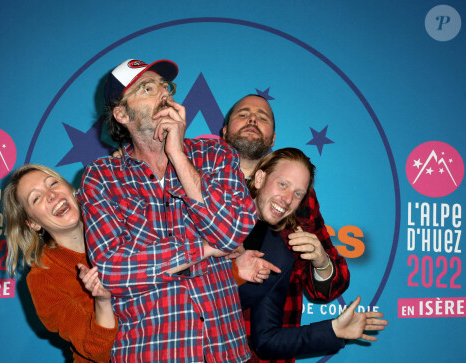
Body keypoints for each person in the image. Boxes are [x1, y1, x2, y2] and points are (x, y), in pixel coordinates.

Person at [79, 58, 268, 362]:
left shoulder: (216, 154)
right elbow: (113, 270)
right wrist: (203, 250)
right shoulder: (101, 177)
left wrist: (178, 155)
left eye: (166, 87)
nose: (164, 94)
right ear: (122, 114)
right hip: (150, 351)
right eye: (148, 88)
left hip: (225, 350)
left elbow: (232, 233)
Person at [222, 94, 351, 363]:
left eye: (263, 117)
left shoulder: (300, 201)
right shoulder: (193, 184)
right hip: (192, 346)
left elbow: (326, 289)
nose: (253, 119)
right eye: (243, 114)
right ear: (224, 131)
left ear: (273, 139)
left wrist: (322, 262)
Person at [237, 148, 387, 361]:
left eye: (298, 193)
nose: (288, 199)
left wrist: (334, 329)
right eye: (283, 184)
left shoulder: (278, 255)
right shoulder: (202, 211)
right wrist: (232, 271)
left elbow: (267, 340)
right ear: (260, 178)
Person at [4, 164, 117, 363]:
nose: (51, 195)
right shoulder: (42, 278)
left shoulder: (121, 226)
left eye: (53, 183)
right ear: (32, 223)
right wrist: (102, 302)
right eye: (36, 198)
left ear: (71, 189)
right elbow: (96, 351)